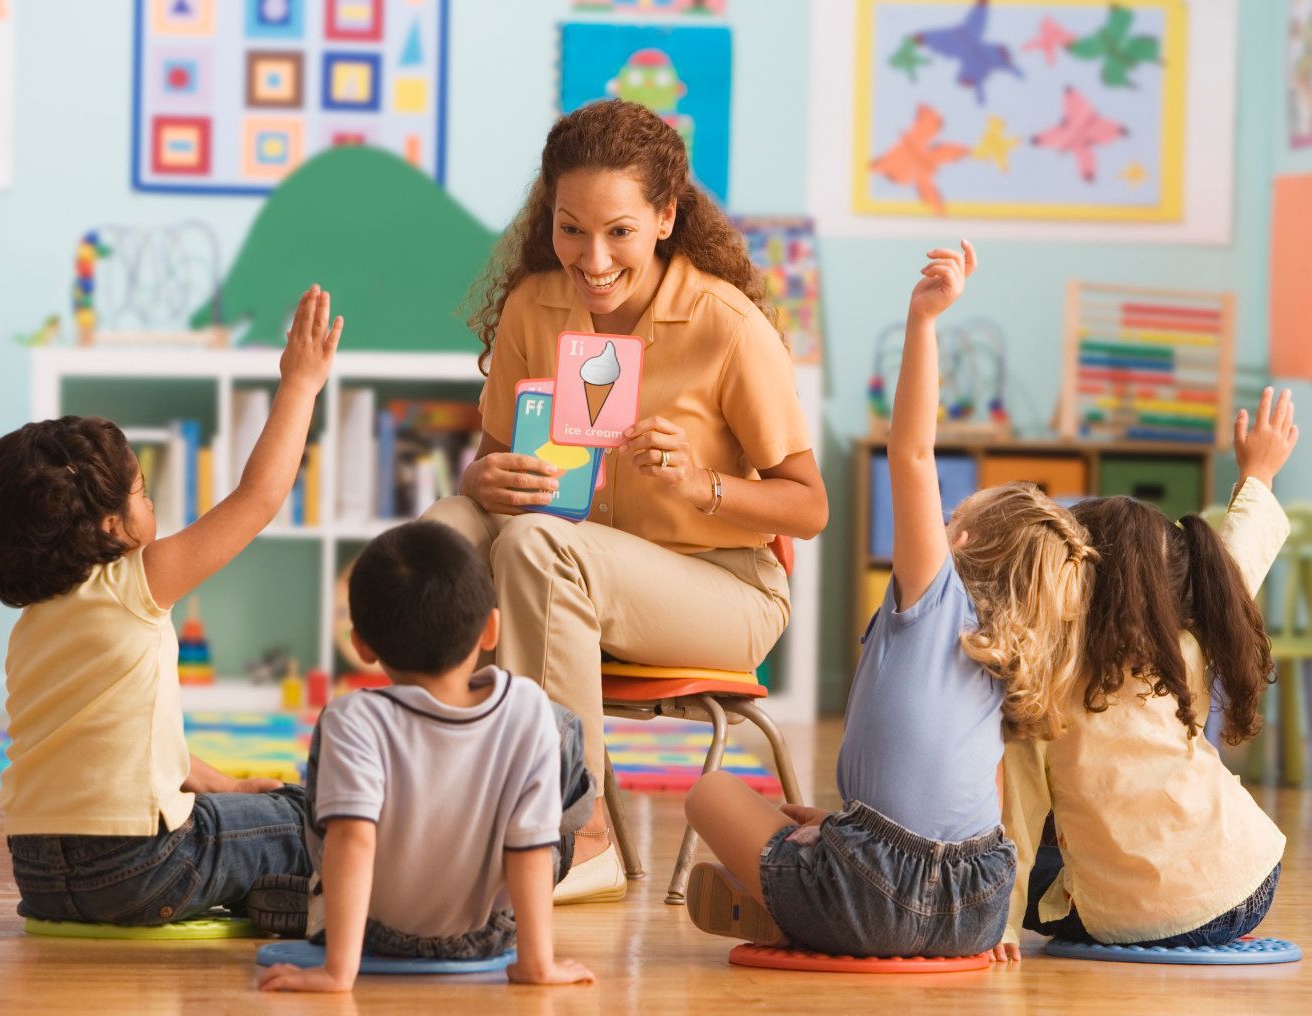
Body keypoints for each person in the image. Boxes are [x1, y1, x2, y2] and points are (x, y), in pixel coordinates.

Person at [423, 98, 828, 904]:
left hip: (722, 587)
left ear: (665, 218)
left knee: (537, 546)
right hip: (566, 576)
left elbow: (808, 507)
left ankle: (584, 834)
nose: (593, 257)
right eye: (572, 228)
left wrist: (702, 484)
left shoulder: (725, 326)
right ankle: (432, 800)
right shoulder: (532, 307)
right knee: (443, 532)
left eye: (619, 232)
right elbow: (492, 462)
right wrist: (479, 481)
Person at [680, 241, 1095, 959]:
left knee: (710, 793)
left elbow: (911, 453)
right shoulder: (1009, 645)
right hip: (977, 899)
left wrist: (923, 322)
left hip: (874, 886)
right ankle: (817, 867)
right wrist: (990, 924)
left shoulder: (935, 595)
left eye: (952, 514)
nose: (937, 519)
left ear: (960, 542)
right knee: (804, 818)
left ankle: (796, 910)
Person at [0, 286, 340, 930]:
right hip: (144, 867)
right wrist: (300, 383)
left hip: (39, 875)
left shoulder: (31, 628)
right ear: (112, 527)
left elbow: (115, 742)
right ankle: (330, 897)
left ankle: (270, 892)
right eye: (142, 493)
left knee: (251, 809)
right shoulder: (138, 582)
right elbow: (258, 498)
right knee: (316, 812)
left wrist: (221, 785)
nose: (152, 505)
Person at [999, 389, 1298, 954]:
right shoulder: (1187, 639)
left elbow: (1017, 815)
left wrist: (1005, 925)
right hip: (1248, 881)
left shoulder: (1042, 681)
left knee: (1042, 839)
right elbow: (1240, 556)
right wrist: (1258, 472)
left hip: (1128, 921)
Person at [256, 521, 595, 993]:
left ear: (362, 645)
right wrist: (538, 965)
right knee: (563, 731)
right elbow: (531, 848)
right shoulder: (528, 709)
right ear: (490, 629)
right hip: (488, 937)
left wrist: (338, 972)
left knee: (338, 802)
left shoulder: (350, 719)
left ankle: (319, 904)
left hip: (377, 933)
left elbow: (352, 840)